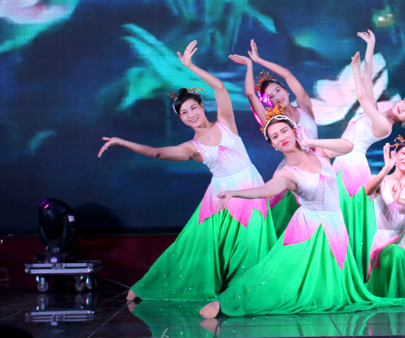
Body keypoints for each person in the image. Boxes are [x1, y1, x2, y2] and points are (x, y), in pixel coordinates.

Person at [98, 40, 276, 302]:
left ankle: (247, 292)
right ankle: (149, 287)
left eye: (193, 107)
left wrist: (191, 66)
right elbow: (158, 153)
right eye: (184, 112)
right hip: (220, 196)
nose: (191, 113)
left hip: (250, 187)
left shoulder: (225, 122)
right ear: (181, 119)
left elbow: (219, 87)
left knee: (253, 243)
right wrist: (124, 142)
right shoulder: (191, 147)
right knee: (196, 247)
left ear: (202, 107)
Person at [198, 106, 405, 317]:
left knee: (328, 286)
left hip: (335, 226)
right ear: (273, 145)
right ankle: (228, 301)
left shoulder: (319, 152)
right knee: (281, 274)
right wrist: (235, 193)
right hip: (310, 227)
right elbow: (266, 190)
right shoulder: (286, 173)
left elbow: (348, 146)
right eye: (275, 137)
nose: (282, 138)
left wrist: (311, 141)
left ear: (294, 130)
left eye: (284, 131)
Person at [333, 31, 405, 279]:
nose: (403, 107)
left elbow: (362, 95)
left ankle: (348, 271)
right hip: (342, 162)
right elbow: (369, 79)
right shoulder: (379, 111)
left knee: (343, 214)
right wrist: (370, 47)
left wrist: (355, 69)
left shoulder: (385, 126)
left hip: (352, 167)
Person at [230, 39, 318, 237]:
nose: (277, 96)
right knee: (286, 225)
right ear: (269, 103)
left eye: (278, 90)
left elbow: (288, 74)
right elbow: (251, 95)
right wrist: (249, 65)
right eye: (270, 96)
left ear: (285, 89)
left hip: (318, 169)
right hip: (293, 173)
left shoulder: (305, 106)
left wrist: (259, 59)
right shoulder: (274, 122)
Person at [364, 138, 405, 298]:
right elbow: (368, 190)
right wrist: (387, 168)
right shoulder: (379, 180)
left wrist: (400, 200)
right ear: (395, 155)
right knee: (395, 253)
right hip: (384, 242)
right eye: (404, 153)